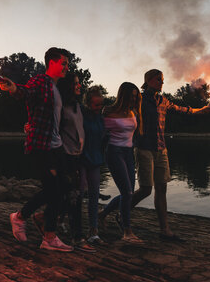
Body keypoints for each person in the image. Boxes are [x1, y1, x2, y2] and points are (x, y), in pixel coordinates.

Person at [0, 47, 73, 252]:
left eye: (68, 63)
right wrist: (13, 88)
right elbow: (26, 92)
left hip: (56, 147)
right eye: (63, 63)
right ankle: (47, 236)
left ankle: (24, 217)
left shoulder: (57, 88)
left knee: (64, 188)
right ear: (52, 63)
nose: (67, 66)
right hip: (41, 146)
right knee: (54, 191)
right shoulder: (41, 81)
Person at [132, 69, 210, 241]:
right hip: (144, 148)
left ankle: (164, 230)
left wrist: (200, 110)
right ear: (149, 81)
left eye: (162, 80)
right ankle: (116, 212)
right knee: (145, 190)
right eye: (159, 79)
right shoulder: (138, 99)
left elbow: (183, 109)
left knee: (161, 189)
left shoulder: (163, 101)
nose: (162, 82)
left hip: (161, 149)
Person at [98, 82, 144, 243]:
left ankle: (102, 214)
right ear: (123, 95)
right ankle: (127, 232)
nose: (134, 99)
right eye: (131, 96)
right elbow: (100, 134)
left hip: (128, 153)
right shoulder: (109, 111)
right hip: (114, 153)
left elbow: (135, 135)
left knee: (129, 194)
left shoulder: (133, 112)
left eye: (136, 96)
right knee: (127, 193)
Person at [56, 73, 96, 253]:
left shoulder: (78, 107)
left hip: (78, 157)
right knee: (75, 198)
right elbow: (54, 131)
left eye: (79, 83)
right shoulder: (60, 107)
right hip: (65, 156)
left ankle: (46, 218)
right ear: (68, 86)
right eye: (76, 83)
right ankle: (77, 238)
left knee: (71, 196)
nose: (80, 86)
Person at [77, 87, 106, 245]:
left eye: (101, 104)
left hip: (95, 159)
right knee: (79, 194)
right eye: (96, 105)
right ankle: (73, 227)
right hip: (81, 159)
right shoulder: (81, 113)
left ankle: (93, 231)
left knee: (94, 195)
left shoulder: (101, 118)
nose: (99, 108)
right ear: (88, 104)